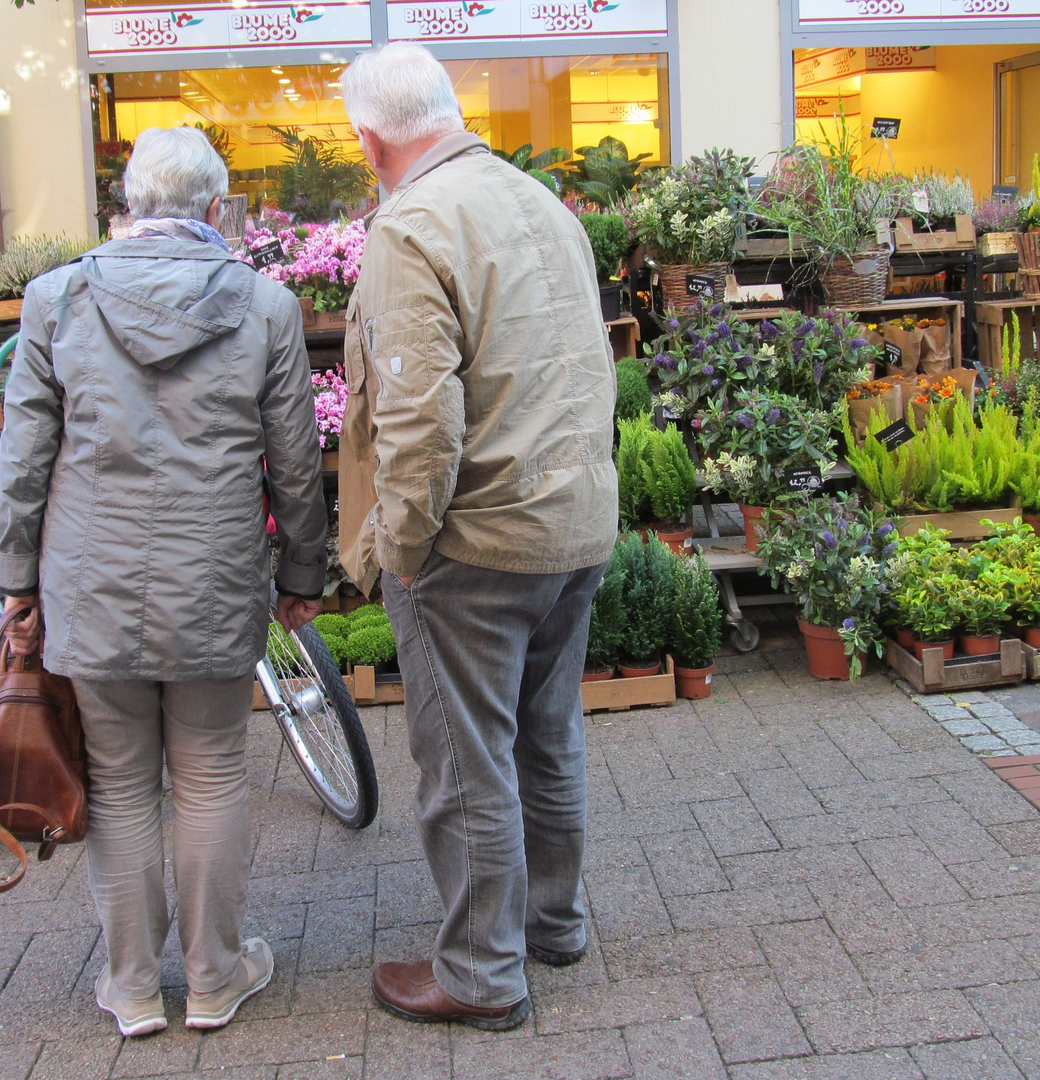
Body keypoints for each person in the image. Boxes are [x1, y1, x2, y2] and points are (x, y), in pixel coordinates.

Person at [0, 126, 327, 1038]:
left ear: (128, 204)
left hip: (88, 577)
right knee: (213, 774)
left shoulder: (55, 300)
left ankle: (134, 986)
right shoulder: (265, 307)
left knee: (120, 782)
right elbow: (295, 461)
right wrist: (303, 568)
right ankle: (216, 977)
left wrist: (16, 576)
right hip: (212, 572)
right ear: (215, 210)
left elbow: (24, 456)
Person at [337, 43, 620, 1031]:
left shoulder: (412, 226)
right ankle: (553, 925)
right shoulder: (541, 205)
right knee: (546, 739)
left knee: (465, 764)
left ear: (369, 140)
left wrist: (402, 549)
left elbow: (421, 419)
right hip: (571, 522)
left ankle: (479, 973)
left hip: (478, 542)